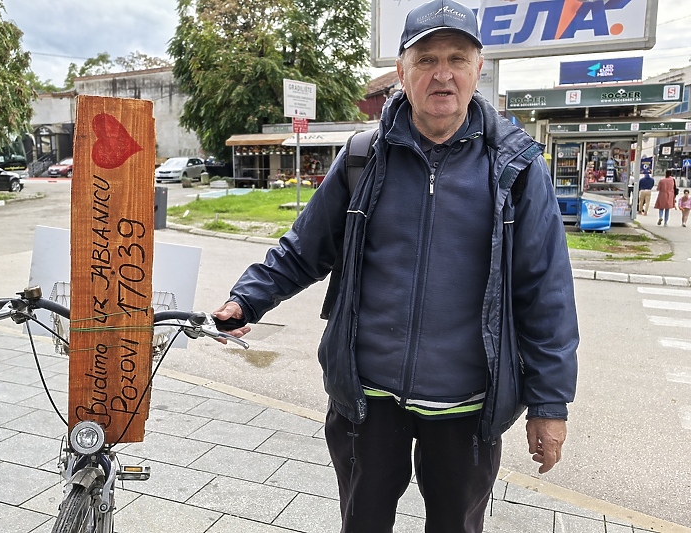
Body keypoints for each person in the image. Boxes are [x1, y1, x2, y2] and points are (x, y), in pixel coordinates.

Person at [213, 1, 579, 531]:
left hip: (467, 404)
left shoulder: (516, 168)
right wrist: (247, 297)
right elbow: (304, 248)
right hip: (368, 398)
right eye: (426, 58)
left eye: (457, 57)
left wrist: (550, 403)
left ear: (479, 69)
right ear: (401, 73)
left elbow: (545, 291)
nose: (442, 73)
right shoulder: (364, 158)